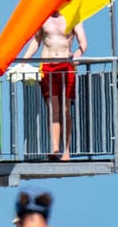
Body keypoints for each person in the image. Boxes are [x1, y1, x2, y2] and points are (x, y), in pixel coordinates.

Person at [17, 10, 87, 160]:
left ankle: (66, 151)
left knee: (66, 108)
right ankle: (55, 148)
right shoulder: (44, 16)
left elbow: (83, 42)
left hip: (66, 65)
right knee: (53, 108)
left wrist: (78, 54)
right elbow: (36, 41)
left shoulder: (73, 16)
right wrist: (24, 60)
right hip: (47, 66)